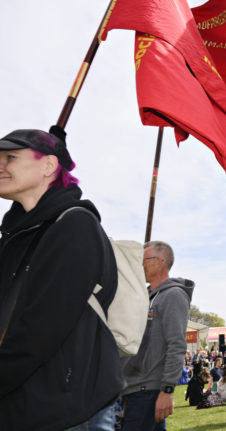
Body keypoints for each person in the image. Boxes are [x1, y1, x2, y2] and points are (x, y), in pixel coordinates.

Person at [0, 128, 123, 430]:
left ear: (49, 166)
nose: (0, 166)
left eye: (10, 157)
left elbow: (41, 328)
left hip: (69, 412)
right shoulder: (16, 236)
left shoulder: (75, 226)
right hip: (21, 405)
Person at [121, 241, 194, 430]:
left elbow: (177, 345)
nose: (139, 265)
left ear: (159, 261)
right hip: (134, 388)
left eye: (143, 260)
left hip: (149, 389)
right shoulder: (147, 296)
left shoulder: (173, 295)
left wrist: (167, 390)